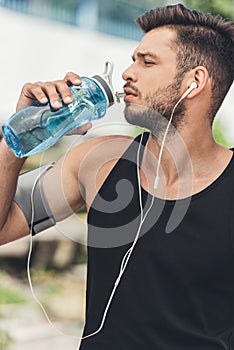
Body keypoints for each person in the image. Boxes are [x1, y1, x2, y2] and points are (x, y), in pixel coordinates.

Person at [0, 3, 234, 349]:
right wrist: (17, 137)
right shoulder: (101, 162)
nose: (127, 72)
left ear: (194, 81)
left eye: (147, 61)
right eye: (133, 58)